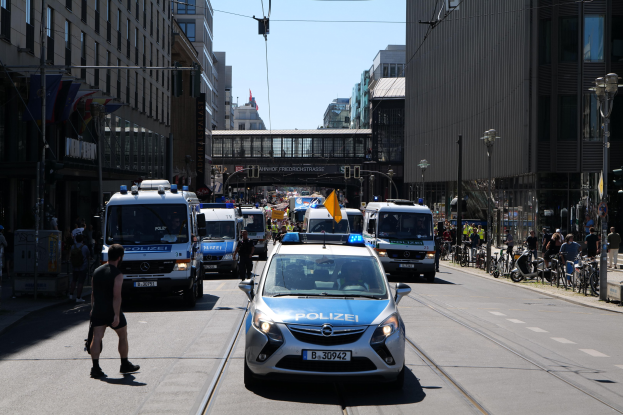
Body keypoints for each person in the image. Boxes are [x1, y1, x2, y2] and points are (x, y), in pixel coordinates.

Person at [89, 244, 140, 378]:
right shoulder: (117, 274)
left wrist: (92, 308)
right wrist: (116, 315)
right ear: (119, 257)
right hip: (111, 310)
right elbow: (117, 296)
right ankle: (124, 364)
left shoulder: (96, 271)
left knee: (97, 337)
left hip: (98, 310)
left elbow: (93, 293)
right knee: (122, 335)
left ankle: (95, 368)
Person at [69, 234, 91, 302]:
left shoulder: (73, 247)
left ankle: (71, 295)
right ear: (82, 240)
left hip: (74, 267)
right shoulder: (85, 247)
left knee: (74, 280)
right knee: (80, 282)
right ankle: (78, 298)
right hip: (82, 267)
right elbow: (88, 256)